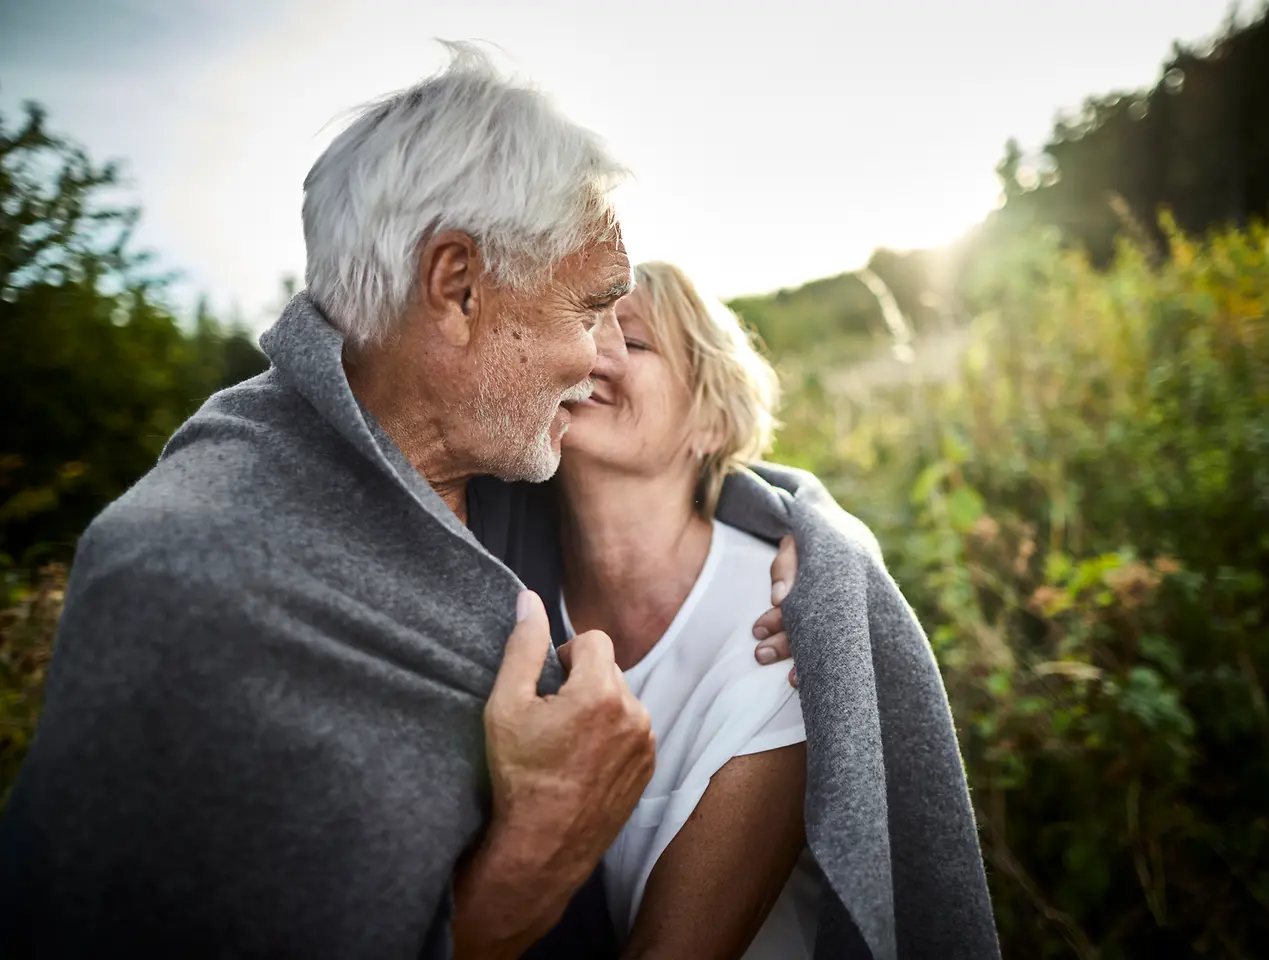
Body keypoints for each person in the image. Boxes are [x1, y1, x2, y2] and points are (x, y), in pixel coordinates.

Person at [0, 43, 800, 959]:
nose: (593, 361)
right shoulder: (186, 576)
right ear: (457, 287)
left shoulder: (492, 473)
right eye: (586, 311)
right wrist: (546, 840)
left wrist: (806, 531)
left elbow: (694, 476)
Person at [554, 262, 816, 957]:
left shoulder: (781, 624)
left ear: (710, 420)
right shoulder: (506, 585)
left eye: (632, 342)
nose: (593, 354)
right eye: (580, 329)